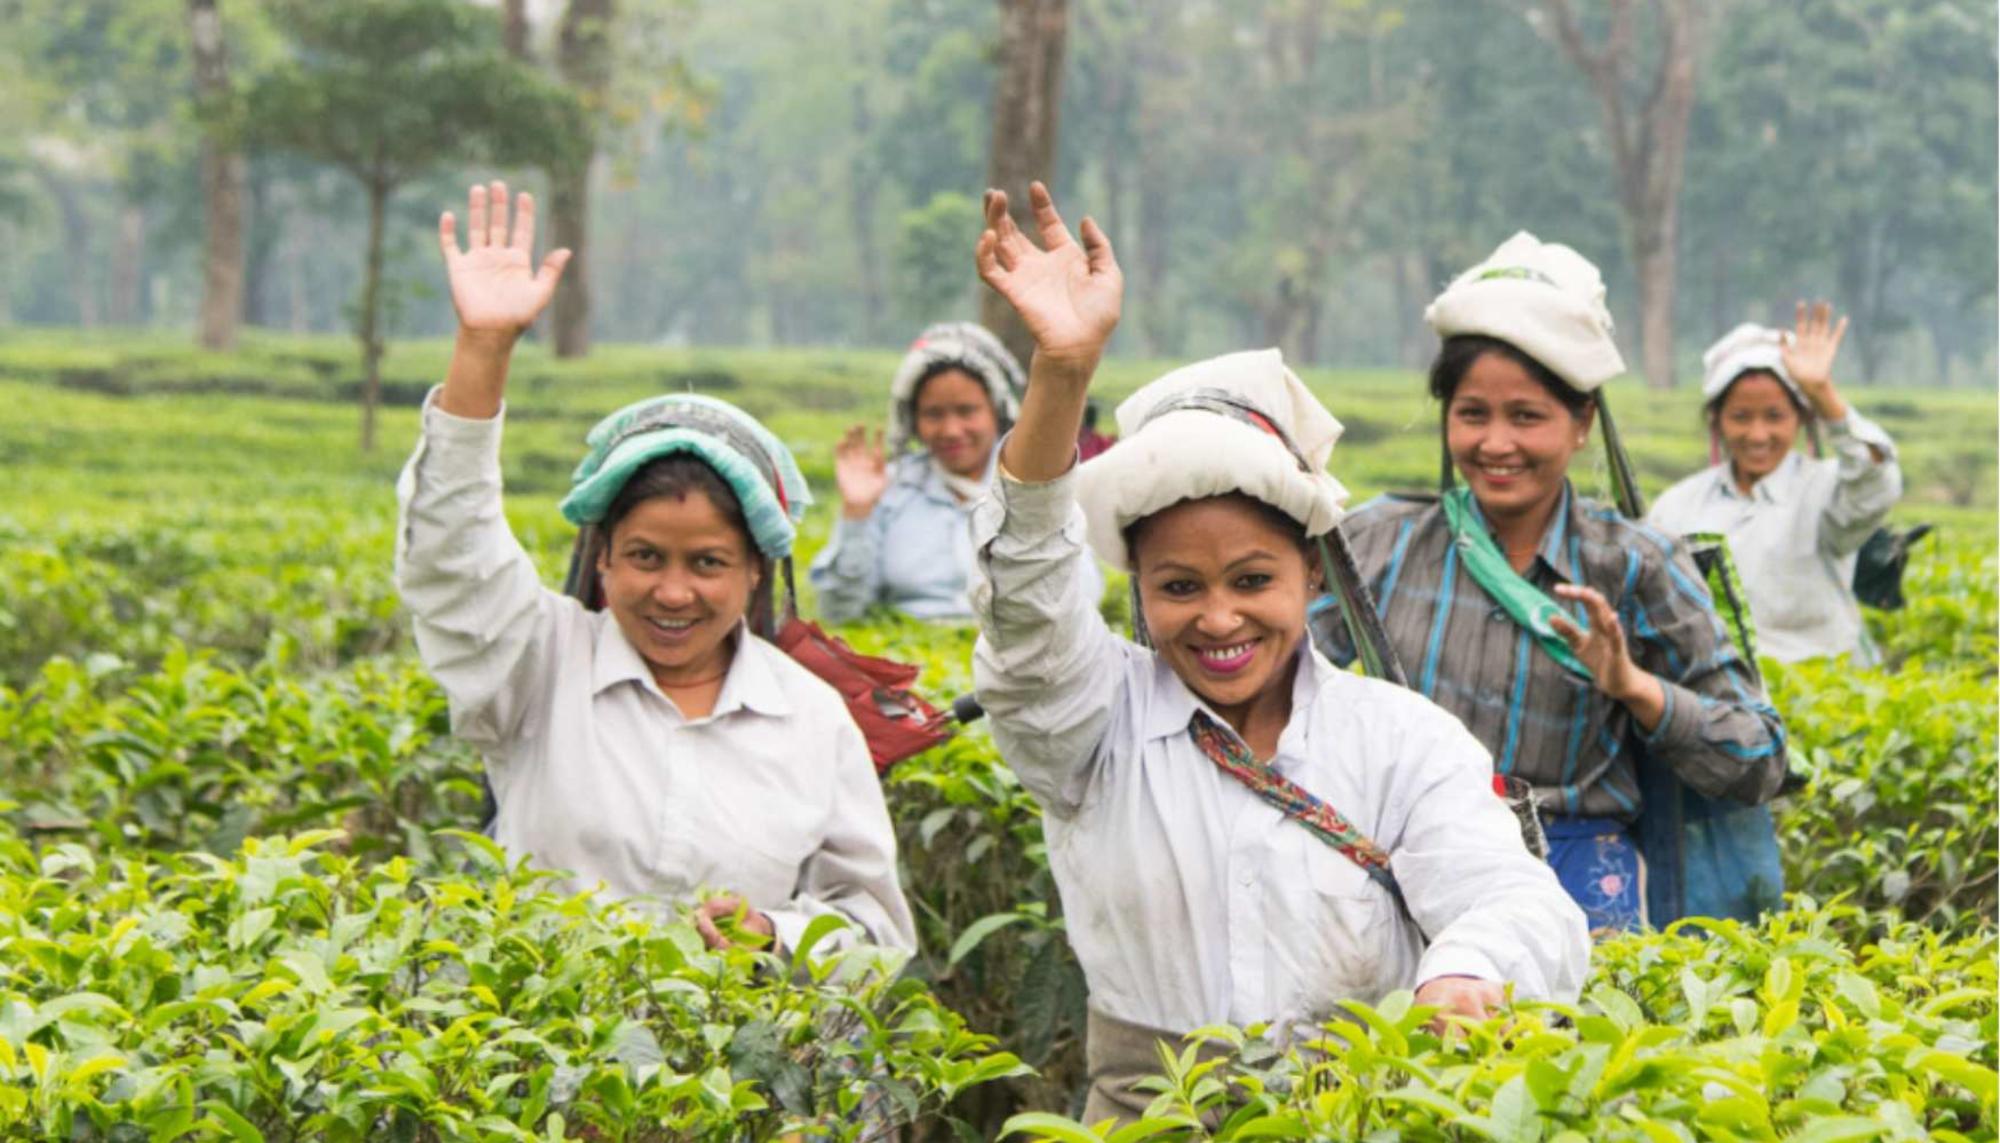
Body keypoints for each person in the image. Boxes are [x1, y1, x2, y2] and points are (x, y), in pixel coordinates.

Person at [970, 185, 1587, 1125]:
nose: (1219, 619)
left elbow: (1517, 898)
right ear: (1136, 584)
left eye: (1252, 580)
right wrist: (1061, 372)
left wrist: (1462, 975)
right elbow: (1025, 606)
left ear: (1312, 573)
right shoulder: (1093, 727)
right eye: (1179, 586)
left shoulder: (1400, 741)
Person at [395, 180, 915, 956]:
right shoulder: (537, 663)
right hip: (538, 1065)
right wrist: (483, 350)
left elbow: (875, 930)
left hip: (740, 1072)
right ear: (601, 557)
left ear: (753, 574)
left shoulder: (810, 718)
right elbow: (451, 552)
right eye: (644, 556)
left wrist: (777, 936)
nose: (673, 591)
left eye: (707, 562)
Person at [1311, 233, 1790, 932]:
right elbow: (1281, 683)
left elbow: (1760, 754)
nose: (1495, 443)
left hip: (1578, 895)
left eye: (1526, 416)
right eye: (1472, 413)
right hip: (1405, 878)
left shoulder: (1638, 565)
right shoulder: (1378, 543)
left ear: (1582, 423)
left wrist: (1637, 689)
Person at [1647, 306, 1901, 664]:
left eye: (1775, 416)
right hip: (1719, 695)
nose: (1758, 435)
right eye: (1740, 417)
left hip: (1823, 692)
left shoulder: (1826, 490)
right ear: (1716, 420)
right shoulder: (1678, 505)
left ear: (1801, 417)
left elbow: (1877, 483)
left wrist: (1822, 393)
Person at [809, 322, 1031, 622]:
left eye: (967, 411)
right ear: (913, 420)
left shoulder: (1032, 486)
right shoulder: (890, 489)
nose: (951, 431)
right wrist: (857, 512)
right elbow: (839, 614)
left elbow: (1076, 596)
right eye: (933, 414)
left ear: (996, 409)